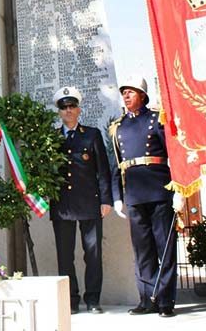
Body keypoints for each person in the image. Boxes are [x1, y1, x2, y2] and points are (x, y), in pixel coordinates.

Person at [110, 76, 177, 318]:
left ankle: (166, 300)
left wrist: (179, 188)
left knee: (165, 247)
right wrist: (117, 196)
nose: (126, 96)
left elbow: (174, 155)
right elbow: (117, 165)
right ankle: (147, 298)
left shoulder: (157, 119)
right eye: (124, 92)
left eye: (131, 91)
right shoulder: (118, 126)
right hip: (134, 194)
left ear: (143, 95)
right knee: (143, 250)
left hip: (159, 189)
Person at [51, 87, 113, 315]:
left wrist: (106, 200)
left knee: (93, 254)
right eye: (64, 108)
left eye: (71, 106)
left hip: (89, 204)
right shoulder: (52, 139)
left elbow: (103, 171)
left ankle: (93, 299)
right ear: (59, 112)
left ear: (78, 109)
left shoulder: (92, 134)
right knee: (65, 256)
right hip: (63, 206)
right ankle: (71, 300)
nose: (68, 111)